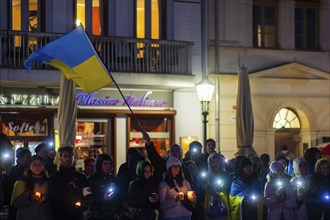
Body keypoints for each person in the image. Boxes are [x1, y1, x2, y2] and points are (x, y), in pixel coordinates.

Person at [48, 146, 92, 220]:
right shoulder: (54, 178)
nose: (68, 159)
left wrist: (82, 206)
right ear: (61, 158)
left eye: (70, 156)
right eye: (65, 156)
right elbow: (53, 199)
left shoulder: (81, 177)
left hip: (77, 215)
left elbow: (88, 195)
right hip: (60, 215)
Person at [11, 155, 52, 220]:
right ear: (29, 166)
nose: (37, 166)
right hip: (26, 216)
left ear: (43, 167)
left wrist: (45, 199)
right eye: (34, 164)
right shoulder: (22, 182)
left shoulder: (47, 181)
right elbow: (16, 203)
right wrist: (29, 198)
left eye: (39, 164)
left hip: (43, 216)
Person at [88, 154, 120, 220]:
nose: (108, 166)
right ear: (100, 165)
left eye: (109, 163)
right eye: (105, 164)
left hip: (112, 215)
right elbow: (89, 198)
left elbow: (119, 196)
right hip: (97, 215)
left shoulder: (113, 179)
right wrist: (102, 198)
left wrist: (117, 211)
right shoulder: (92, 179)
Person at [8, 147, 31, 220]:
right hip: (16, 202)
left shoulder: (30, 170)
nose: (29, 160)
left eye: (30, 157)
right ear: (20, 158)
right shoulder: (13, 170)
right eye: (27, 157)